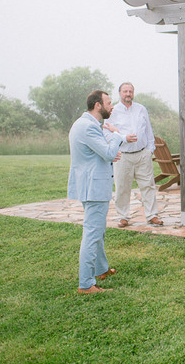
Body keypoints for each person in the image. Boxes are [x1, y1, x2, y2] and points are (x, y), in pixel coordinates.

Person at [67, 90, 125, 294]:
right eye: (109, 103)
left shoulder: (85, 124)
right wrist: (117, 135)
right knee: (92, 234)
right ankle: (85, 284)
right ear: (98, 105)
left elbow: (101, 153)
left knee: (97, 231)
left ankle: (101, 270)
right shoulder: (88, 127)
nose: (112, 106)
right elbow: (108, 152)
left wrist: (109, 153)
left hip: (90, 185)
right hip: (94, 187)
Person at [106, 82, 163, 228]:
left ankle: (152, 215)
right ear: (120, 93)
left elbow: (148, 131)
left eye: (130, 91)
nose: (128, 94)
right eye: (125, 91)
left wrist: (150, 149)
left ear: (133, 93)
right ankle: (123, 216)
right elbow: (106, 133)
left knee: (148, 185)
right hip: (123, 155)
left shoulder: (141, 109)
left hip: (142, 154)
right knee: (122, 187)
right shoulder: (113, 111)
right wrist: (123, 138)